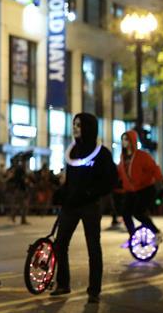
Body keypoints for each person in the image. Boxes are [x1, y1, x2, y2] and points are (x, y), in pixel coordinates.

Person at [50, 113, 118, 303]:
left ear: (89, 127)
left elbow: (111, 181)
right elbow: (71, 180)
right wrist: (62, 192)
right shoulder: (72, 152)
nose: (75, 127)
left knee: (93, 248)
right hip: (70, 206)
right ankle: (63, 284)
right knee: (60, 244)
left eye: (79, 124)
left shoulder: (101, 153)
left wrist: (91, 193)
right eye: (74, 124)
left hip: (90, 206)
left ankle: (94, 290)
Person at [117, 130, 163, 243]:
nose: (124, 142)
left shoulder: (142, 156)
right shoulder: (122, 157)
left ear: (132, 141)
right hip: (131, 190)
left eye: (126, 139)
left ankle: (157, 232)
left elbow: (154, 169)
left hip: (145, 188)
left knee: (138, 213)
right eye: (123, 139)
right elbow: (121, 172)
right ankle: (133, 236)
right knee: (125, 213)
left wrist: (159, 184)